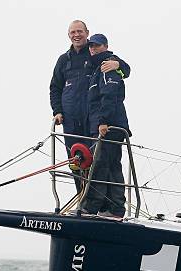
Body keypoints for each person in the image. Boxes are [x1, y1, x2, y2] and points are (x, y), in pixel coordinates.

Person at [49, 20, 130, 189]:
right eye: (73, 32)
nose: (76, 35)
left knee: (97, 162)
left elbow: (125, 71)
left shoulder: (95, 53)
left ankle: (98, 206)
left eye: (80, 31)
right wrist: (57, 111)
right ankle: (82, 201)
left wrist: (118, 64)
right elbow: (55, 87)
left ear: (86, 33)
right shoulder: (63, 60)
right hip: (70, 121)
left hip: (92, 120)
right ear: (68, 35)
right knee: (76, 162)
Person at [80, 34, 130, 218]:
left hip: (109, 126)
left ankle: (92, 207)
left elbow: (109, 95)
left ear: (106, 46)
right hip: (103, 125)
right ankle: (113, 208)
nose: (93, 49)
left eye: (97, 46)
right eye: (91, 46)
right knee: (110, 166)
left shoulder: (108, 65)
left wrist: (103, 121)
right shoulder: (96, 69)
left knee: (101, 165)